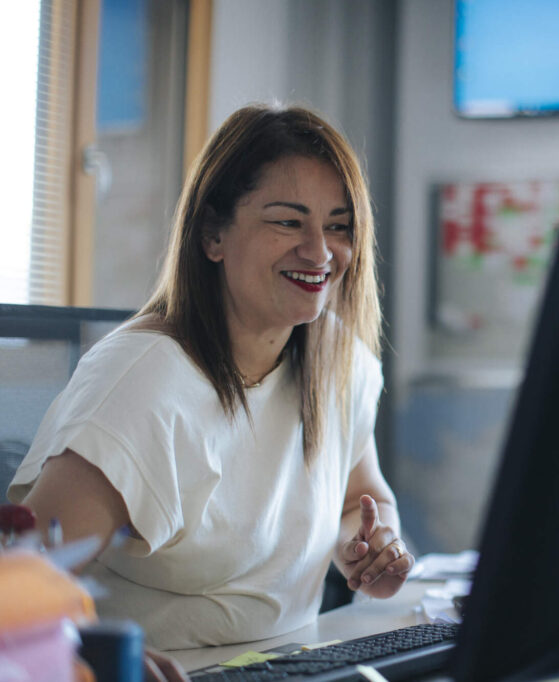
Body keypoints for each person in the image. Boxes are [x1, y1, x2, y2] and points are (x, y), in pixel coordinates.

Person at [7, 105, 413, 679]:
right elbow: (16, 590)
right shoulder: (145, 382)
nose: (320, 251)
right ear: (212, 236)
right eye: (288, 222)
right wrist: (90, 654)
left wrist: (372, 548)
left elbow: (360, 498)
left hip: (300, 661)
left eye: (339, 226)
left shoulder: (335, 357)